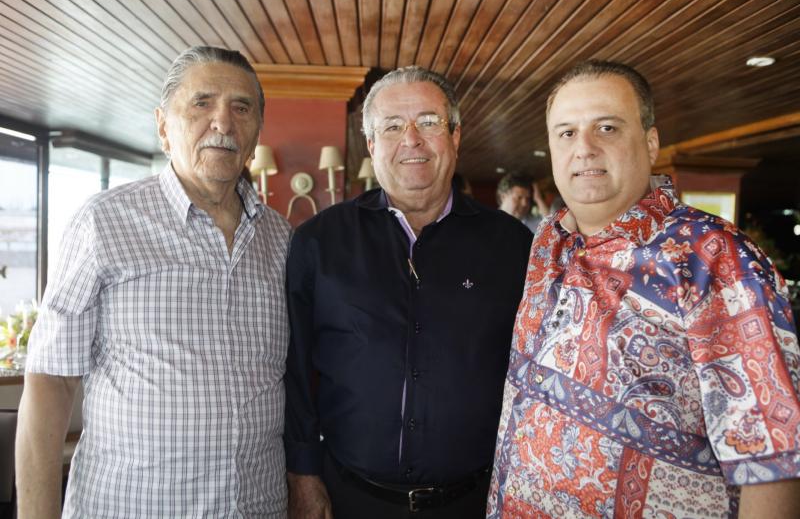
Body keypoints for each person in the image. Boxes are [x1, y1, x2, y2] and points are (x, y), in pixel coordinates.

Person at [488, 59, 800, 518]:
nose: (584, 148)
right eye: (567, 133)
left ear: (650, 142)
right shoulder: (547, 243)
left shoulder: (714, 256)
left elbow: (774, 453)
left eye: (607, 128)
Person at [15, 46, 292, 517]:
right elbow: (51, 381)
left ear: (256, 134)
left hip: (259, 507)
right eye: (202, 103)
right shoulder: (104, 222)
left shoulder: (282, 239)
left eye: (242, 108)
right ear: (164, 126)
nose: (223, 122)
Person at [284, 66, 532, 518]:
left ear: (455, 136)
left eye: (429, 122)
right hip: (349, 500)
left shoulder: (513, 245)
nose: (411, 139)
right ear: (372, 144)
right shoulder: (319, 241)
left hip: (474, 502)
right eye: (393, 126)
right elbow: (296, 370)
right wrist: (302, 475)